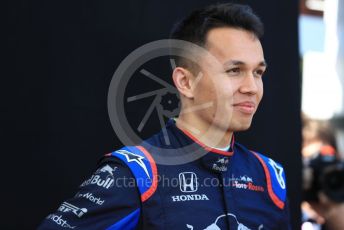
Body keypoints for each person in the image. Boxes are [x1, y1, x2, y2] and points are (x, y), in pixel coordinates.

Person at [38, 3, 290, 229]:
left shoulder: (270, 176)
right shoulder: (136, 173)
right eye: (234, 70)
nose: (252, 87)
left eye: (258, 72)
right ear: (185, 81)